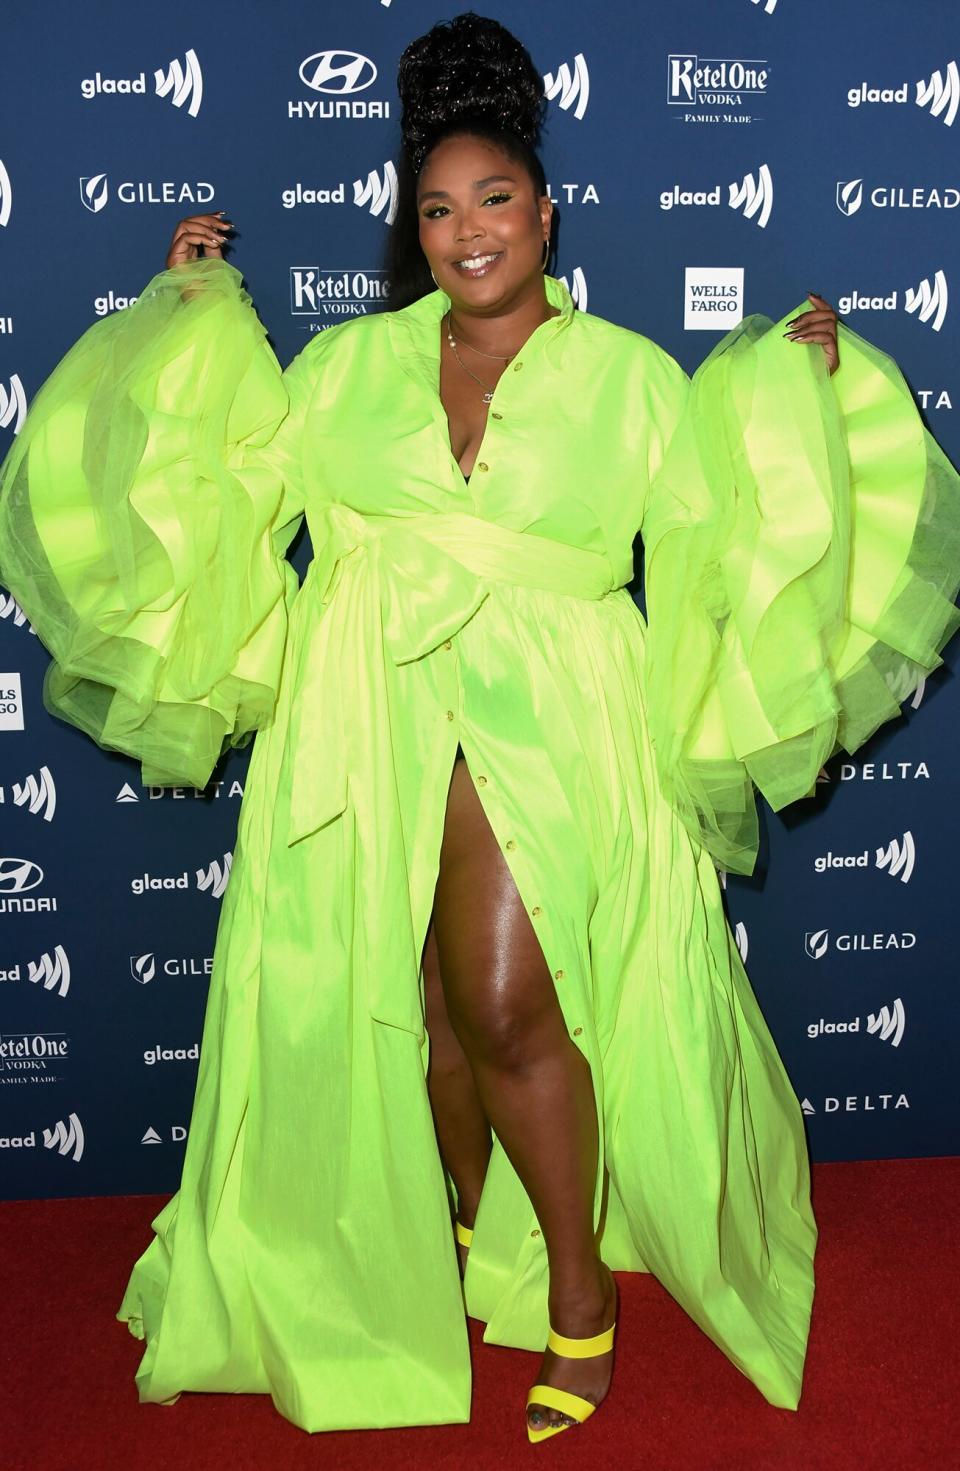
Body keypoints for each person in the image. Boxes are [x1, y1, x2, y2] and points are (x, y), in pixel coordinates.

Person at [2, 8, 959, 1444]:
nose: (466, 232)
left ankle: (579, 1293)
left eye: (494, 199)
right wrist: (194, 322)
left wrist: (792, 390)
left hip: (553, 723)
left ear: (545, 210)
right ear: (414, 223)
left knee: (514, 1005)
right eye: (437, 207)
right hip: (370, 710)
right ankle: (456, 1224)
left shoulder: (632, 378)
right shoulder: (347, 370)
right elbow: (223, 487)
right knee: (433, 1010)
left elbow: (723, 520)